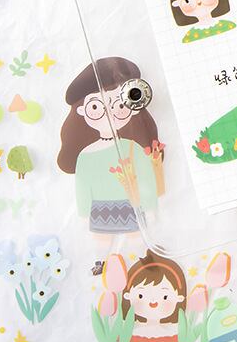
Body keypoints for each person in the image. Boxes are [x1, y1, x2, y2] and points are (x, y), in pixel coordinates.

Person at [57, 58, 160, 235]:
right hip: (100, 213)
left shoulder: (133, 148)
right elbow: (83, 187)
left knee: (136, 237)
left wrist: (150, 206)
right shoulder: (85, 155)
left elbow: (147, 177)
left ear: (134, 107)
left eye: (119, 105)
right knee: (102, 242)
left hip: (132, 208)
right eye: (95, 107)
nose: (109, 114)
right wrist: (84, 214)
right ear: (81, 111)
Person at [122, 250, 187, 342]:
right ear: (127, 295)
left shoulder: (175, 336)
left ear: (179, 298)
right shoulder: (128, 335)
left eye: (165, 297)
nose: (153, 302)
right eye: (140, 296)